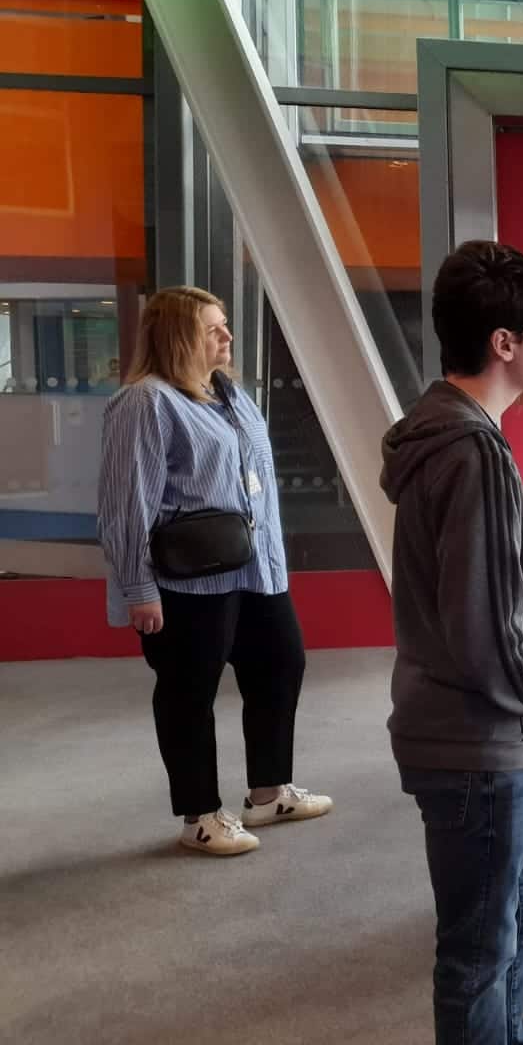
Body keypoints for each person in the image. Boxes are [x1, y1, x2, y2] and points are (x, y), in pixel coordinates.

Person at [380, 240, 523, 1045]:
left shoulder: (446, 435)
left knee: (520, 905)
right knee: (478, 950)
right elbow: (485, 625)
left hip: (463, 730)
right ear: (505, 342)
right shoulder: (472, 451)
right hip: (478, 740)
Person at [98, 286, 331, 858]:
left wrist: (275, 566)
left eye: (225, 325)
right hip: (186, 580)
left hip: (254, 572)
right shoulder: (146, 403)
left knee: (281, 664)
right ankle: (200, 814)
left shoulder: (229, 395)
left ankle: (269, 792)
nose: (226, 337)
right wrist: (138, 588)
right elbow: (126, 505)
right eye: (212, 329)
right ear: (178, 336)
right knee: (188, 692)